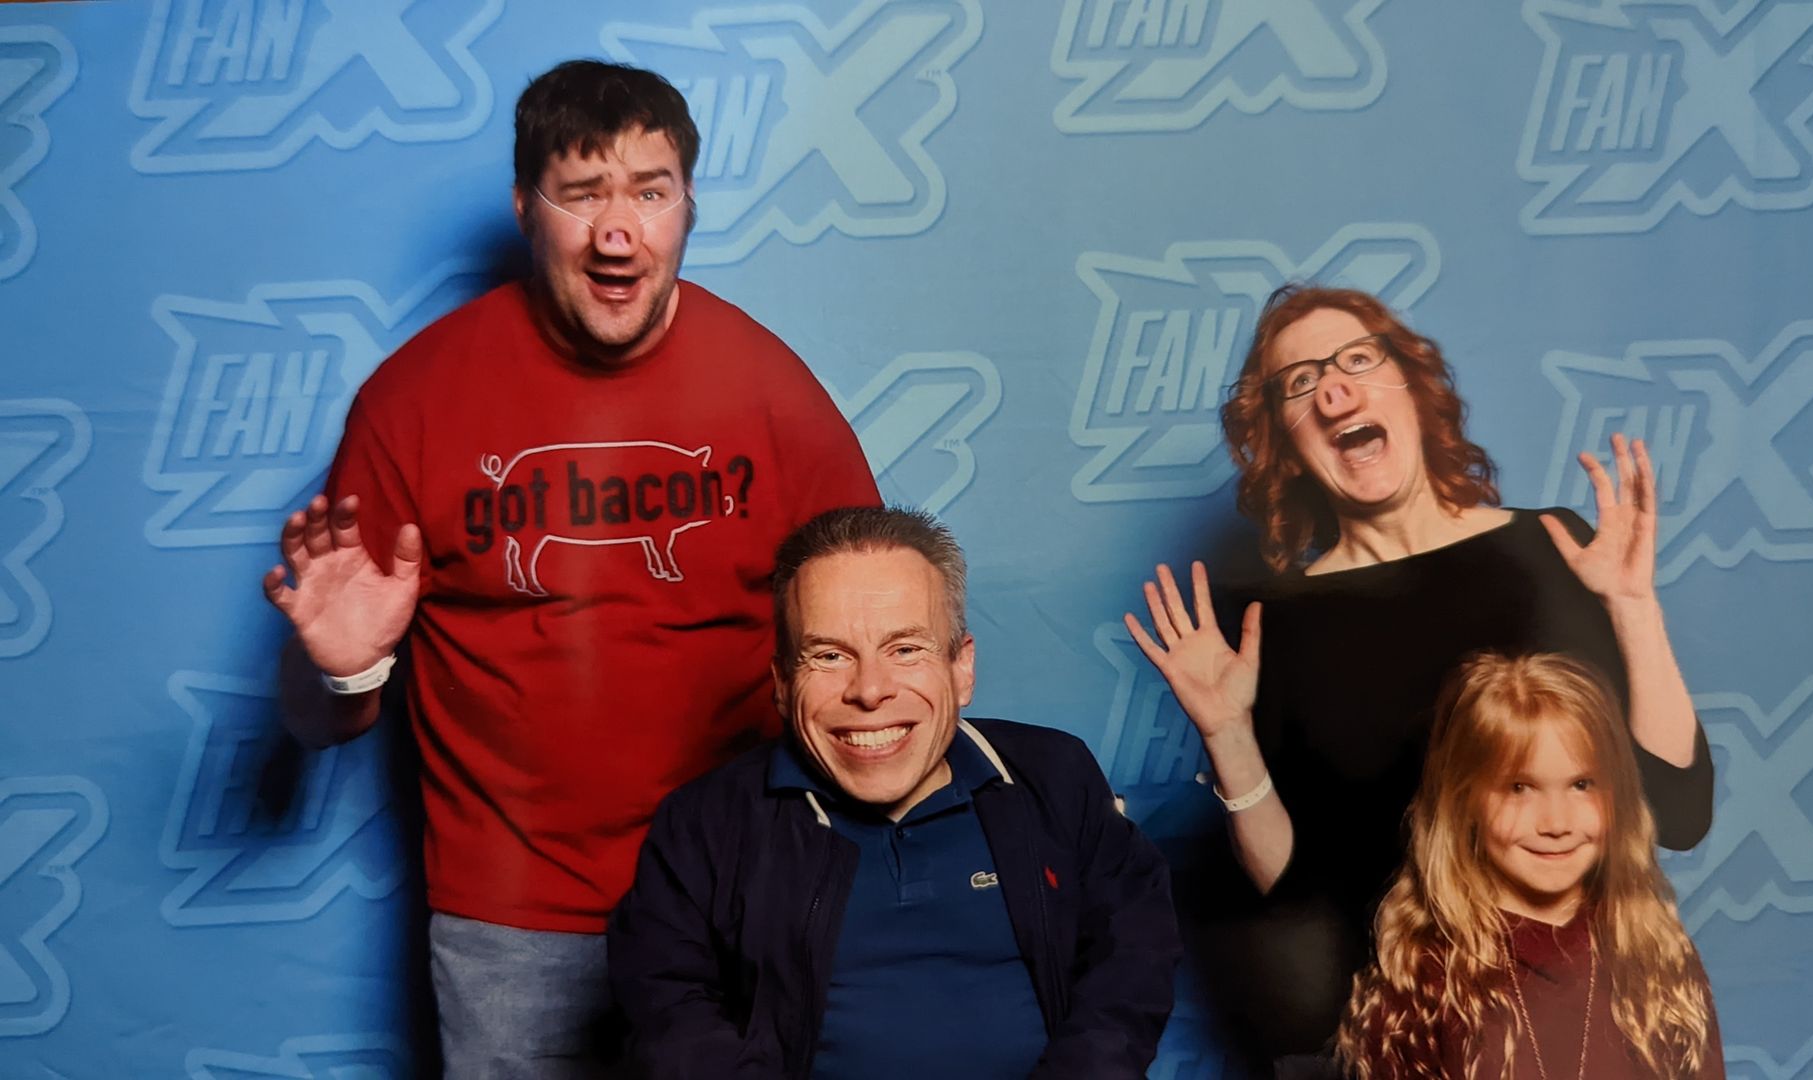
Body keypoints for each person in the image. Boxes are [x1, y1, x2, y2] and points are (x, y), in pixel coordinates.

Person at [260, 61, 879, 1077]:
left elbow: (879, 648)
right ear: (524, 206)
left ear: (688, 206)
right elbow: (316, 716)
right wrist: (340, 668)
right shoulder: (412, 401)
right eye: (582, 193)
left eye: (650, 190)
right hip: (513, 920)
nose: (618, 231)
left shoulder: (772, 392)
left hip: (742, 894)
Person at [1122, 285, 1713, 1064]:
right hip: (1422, 1028)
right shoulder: (1285, 626)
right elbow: (1298, 890)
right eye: (1299, 383)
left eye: (1358, 360)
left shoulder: (1553, 551)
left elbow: (1679, 807)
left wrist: (1634, 606)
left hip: (1598, 1006)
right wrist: (1228, 732)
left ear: (1414, 386)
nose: (1333, 389)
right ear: (1286, 441)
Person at [608, 506, 1180, 1078]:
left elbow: (1131, 956)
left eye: (906, 649)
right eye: (829, 656)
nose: (870, 690)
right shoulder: (704, 823)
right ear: (782, 682)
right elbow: (669, 1013)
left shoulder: (1054, 776)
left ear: (962, 668)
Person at [1336, 652, 1725, 1079]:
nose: (1556, 823)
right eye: (1519, 788)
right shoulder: (1423, 978)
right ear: (1465, 802)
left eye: (1582, 785)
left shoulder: (1654, 954)